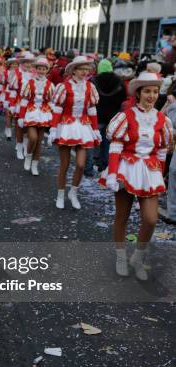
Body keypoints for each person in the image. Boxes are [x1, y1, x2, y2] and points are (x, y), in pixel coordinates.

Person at [98, 72, 173, 280]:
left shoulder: (162, 119)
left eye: (155, 92)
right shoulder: (127, 116)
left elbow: (161, 150)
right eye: (147, 91)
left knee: (150, 219)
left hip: (149, 171)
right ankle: (121, 256)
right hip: (127, 168)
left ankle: (138, 258)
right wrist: (113, 174)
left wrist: (158, 175)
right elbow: (115, 146)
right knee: (122, 217)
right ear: (138, 94)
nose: (151, 95)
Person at [49, 56, 100, 210]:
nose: (85, 72)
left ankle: (74, 192)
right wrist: (53, 128)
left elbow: (91, 110)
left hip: (83, 126)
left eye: (87, 69)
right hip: (66, 126)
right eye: (82, 69)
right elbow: (58, 109)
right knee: (64, 164)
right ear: (74, 70)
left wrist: (96, 129)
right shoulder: (64, 87)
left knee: (80, 164)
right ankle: (60, 194)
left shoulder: (90, 87)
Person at [18, 57, 55, 175]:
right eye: (39, 68)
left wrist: (54, 113)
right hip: (31, 112)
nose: (41, 71)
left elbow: (50, 101)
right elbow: (24, 101)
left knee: (39, 141)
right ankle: (28, 155)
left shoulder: (50, 85)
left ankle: (35, 165)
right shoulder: (29, 83)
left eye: (44, 69)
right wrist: (21, 116)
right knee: (32, 138)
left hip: (44, 113)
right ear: (36, 69)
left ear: (47, 70)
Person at [90, 59, 127, 174]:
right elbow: (123, 98)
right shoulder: (119, 81)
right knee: (107, 142)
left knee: (94, 140)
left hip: (98, 114)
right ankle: (104, 164)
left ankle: (89, 166)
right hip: (112, 116)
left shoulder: (94, 81)